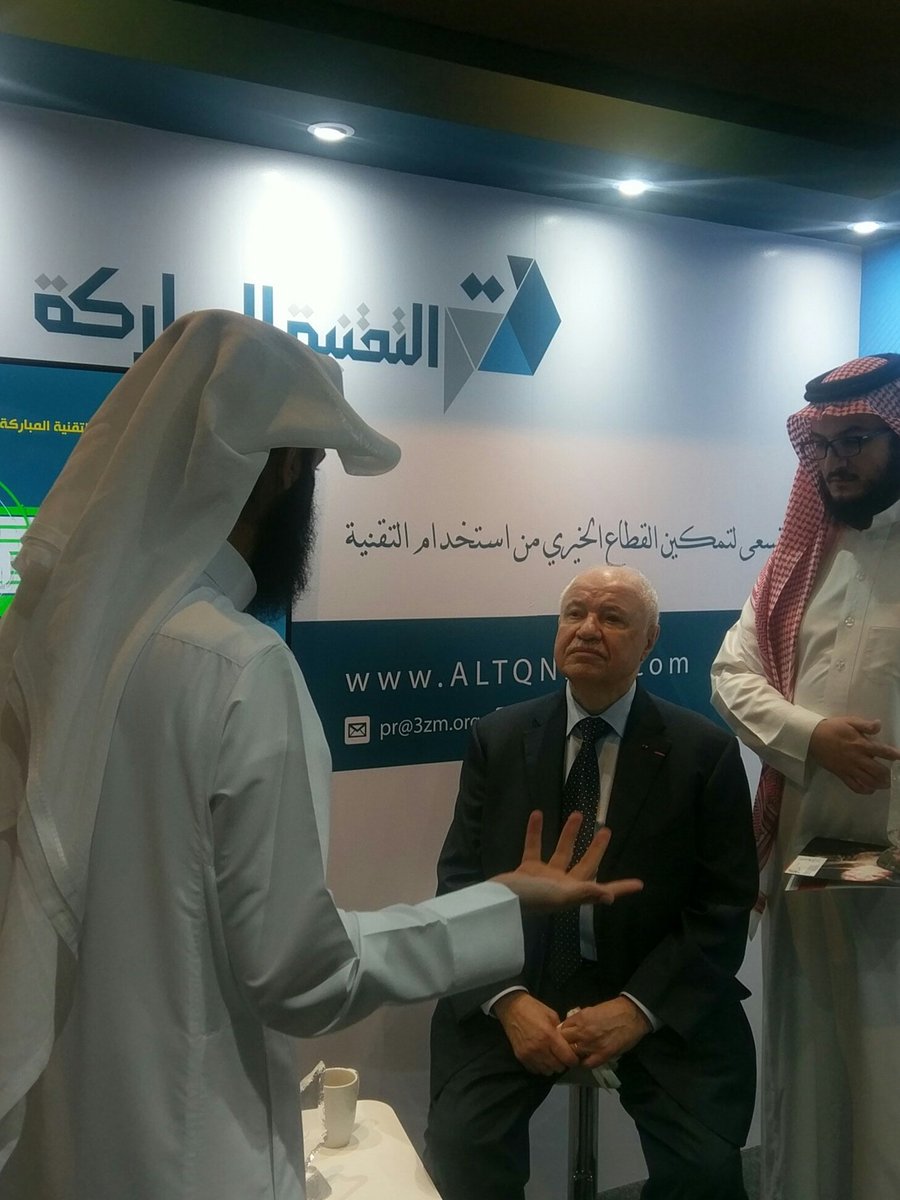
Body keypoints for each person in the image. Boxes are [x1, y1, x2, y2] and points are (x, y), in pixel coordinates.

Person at [0, 310, 643, 1199]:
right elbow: (303, 975)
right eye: (312, 471)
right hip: (192, 1147)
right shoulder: (238, 667)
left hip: (59, 1136)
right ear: (281, 471)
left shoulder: (38, 649)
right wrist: (506, 903)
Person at [425, 565, 758, 1200]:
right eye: (574, 613)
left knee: (704, 1173)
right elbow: (460, 886)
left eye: (611, 618)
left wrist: (637, 1010)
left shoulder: (702, 753)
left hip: (652, 981)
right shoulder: (498, 738)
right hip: (517, 980)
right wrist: (508, 1001)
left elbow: (722, 908)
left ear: (650, 640)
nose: (587, 629)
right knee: (462, 1148)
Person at [711, 352, 900, 1200]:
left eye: (858, 439)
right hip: (806, 862)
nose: (835, 461)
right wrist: (811, 736)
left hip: (896, 880)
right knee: (810, 1067)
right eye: (823, 444)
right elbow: (732, 674)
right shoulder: (799, 562)